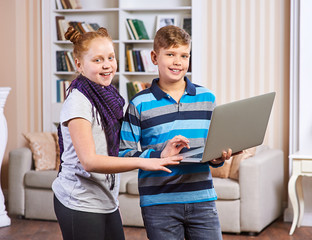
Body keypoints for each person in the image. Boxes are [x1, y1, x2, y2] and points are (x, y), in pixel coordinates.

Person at [52, 26, 189, 240]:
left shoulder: (110, 96)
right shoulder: (78, 101)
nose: (107, 65)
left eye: (110, 57)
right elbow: (89, 161)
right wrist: (144, 163)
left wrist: (160, 154)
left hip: (107, 200)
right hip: (79, 201)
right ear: (79, 64)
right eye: (97, 60)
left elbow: (120, 146)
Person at [119, 25, 232, 240]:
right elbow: (124, 153)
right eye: (170, 54)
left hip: (202, 199)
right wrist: (160, 155)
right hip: (159, 203)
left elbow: (212, 148)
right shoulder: (139, 103)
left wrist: (219, 158)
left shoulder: (207, 98)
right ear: (154, 57)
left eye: (184, 55)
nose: (178, 61)